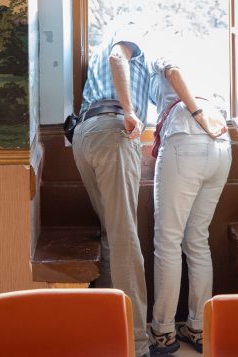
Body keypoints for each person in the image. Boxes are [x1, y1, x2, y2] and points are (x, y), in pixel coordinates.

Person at [71, 22, 152, 357]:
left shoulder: (101, 48)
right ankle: (135, 344)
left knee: (110, 234)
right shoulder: (129, 36)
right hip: (111, 131)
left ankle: (110, 335)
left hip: (84, 134)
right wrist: (131, 113)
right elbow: (118, 59)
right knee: (123, 236)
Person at [148, 54, 232, 355]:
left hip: (188, 136)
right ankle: (198, 327)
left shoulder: (166, 45)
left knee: (168, 241)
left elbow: (173, 72)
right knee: (197, 239)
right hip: (221, 147)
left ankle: (163, 332)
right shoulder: (212, 61)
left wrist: (197, 115)